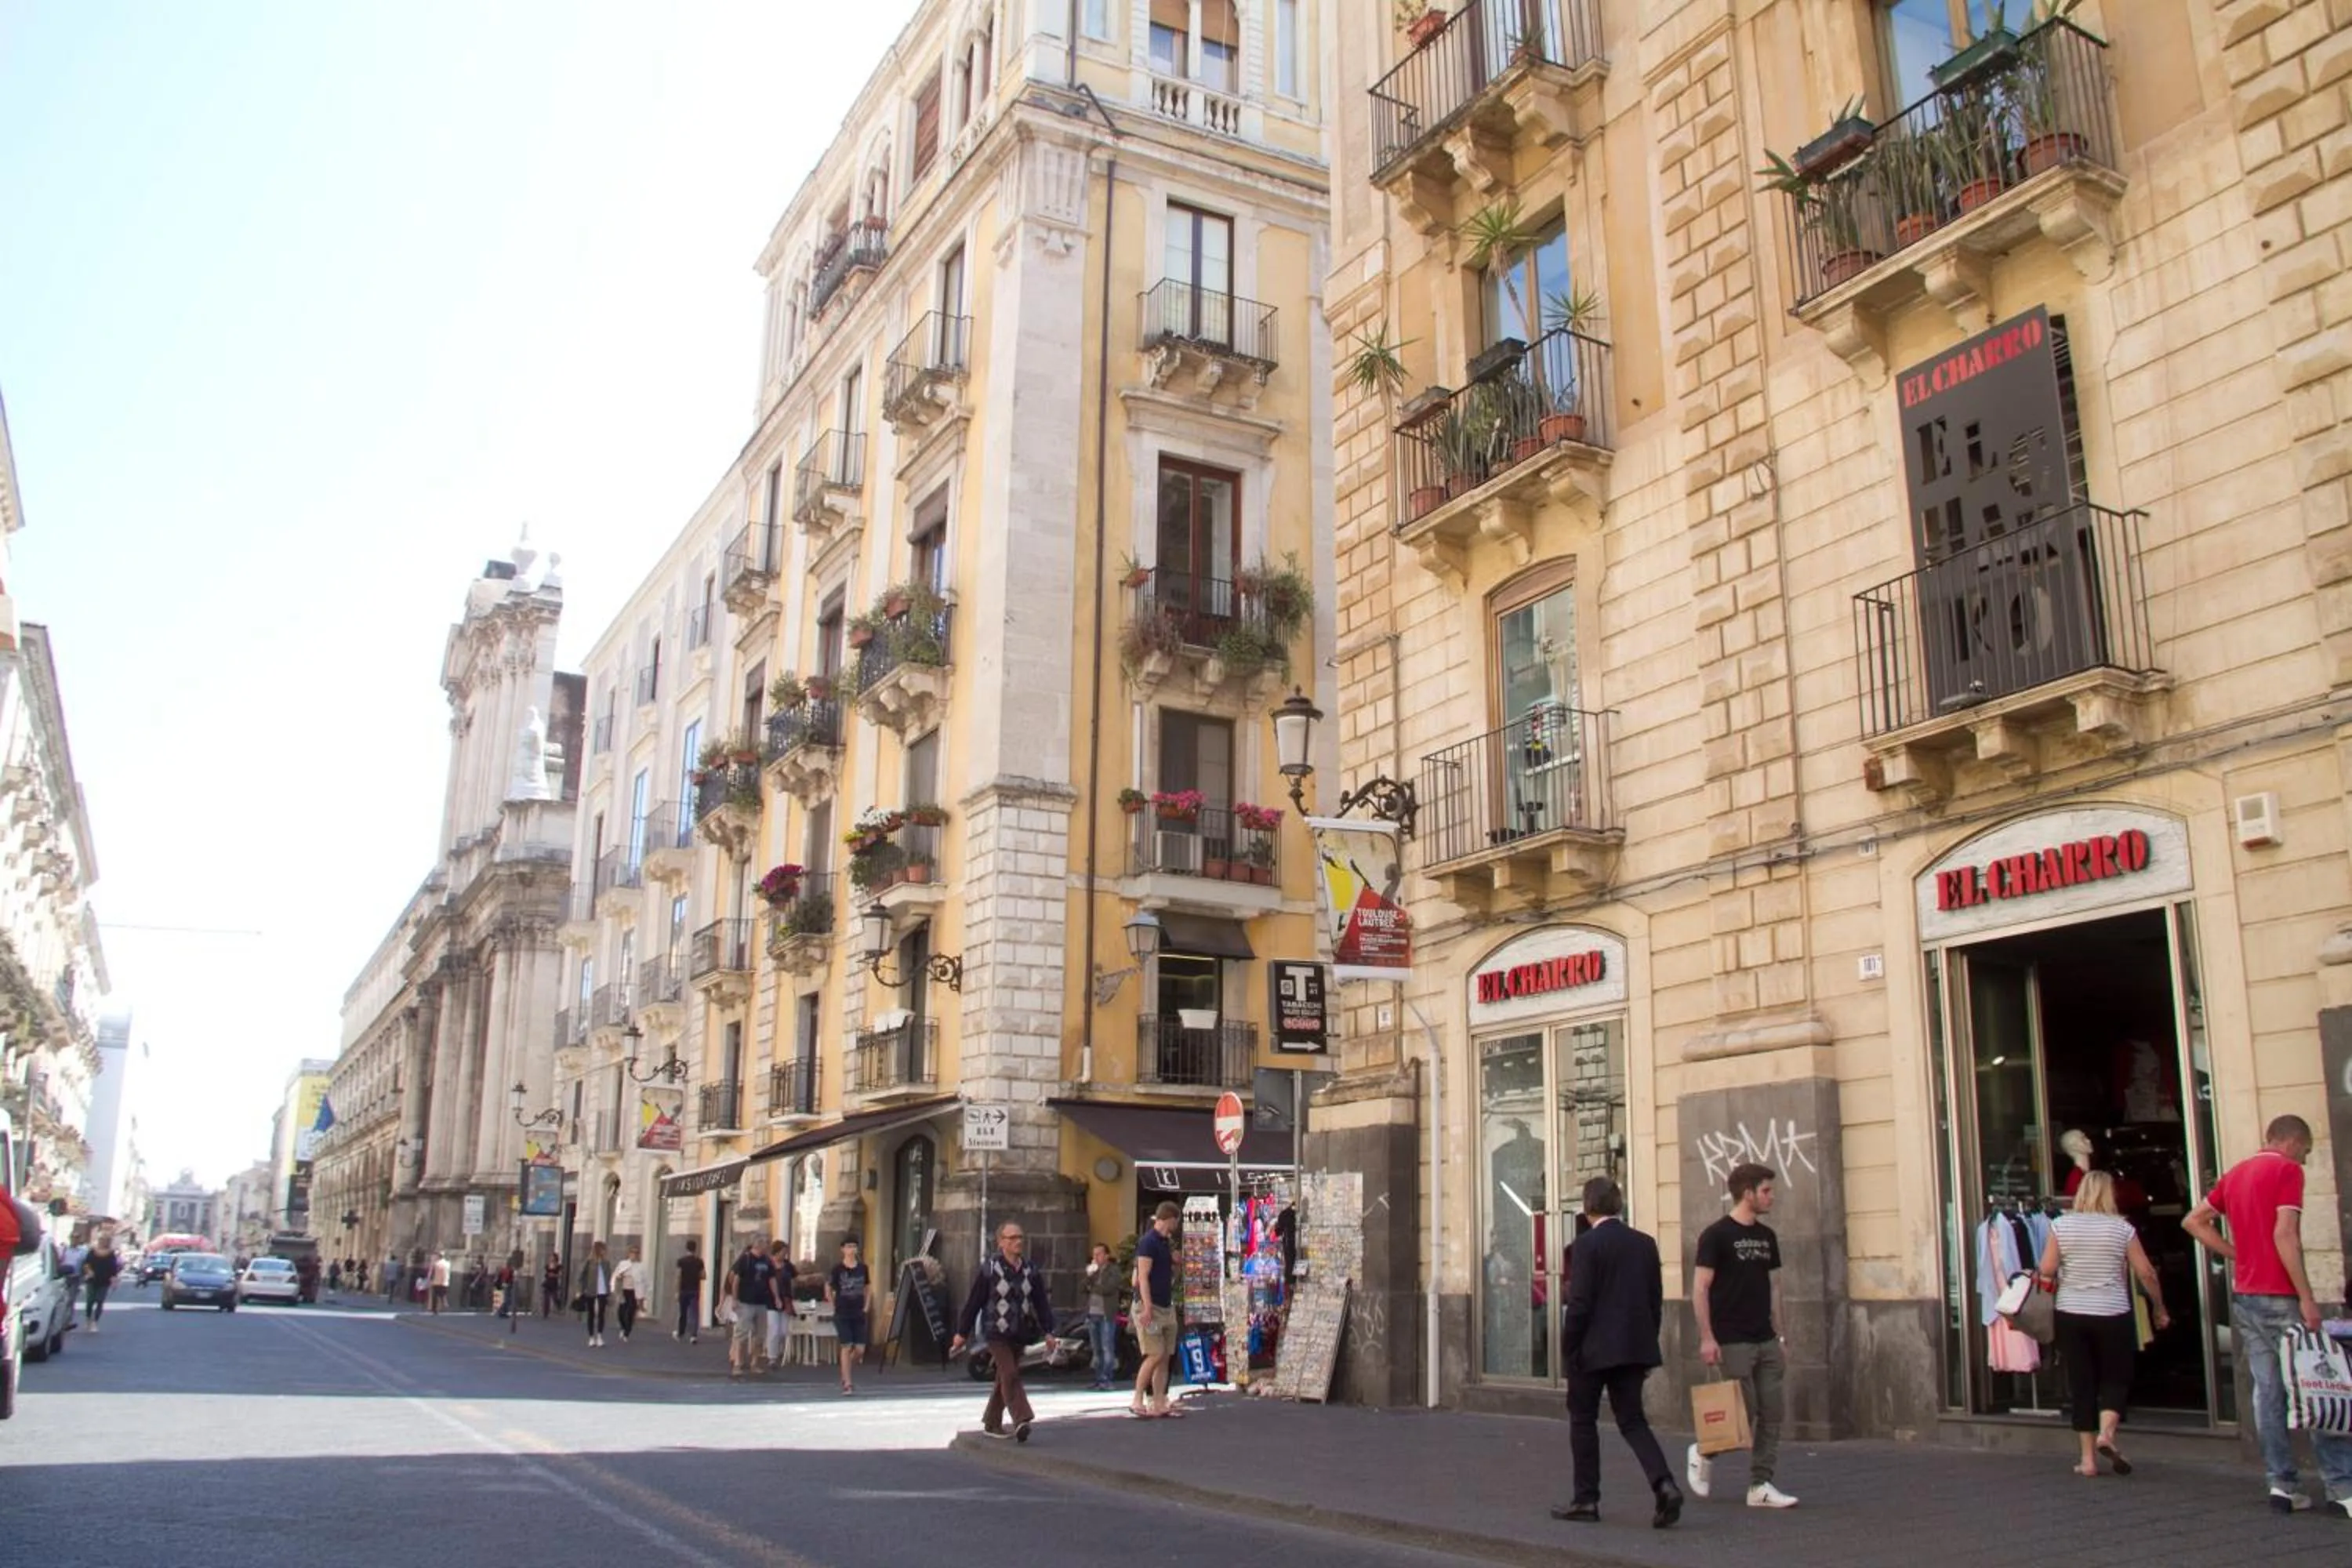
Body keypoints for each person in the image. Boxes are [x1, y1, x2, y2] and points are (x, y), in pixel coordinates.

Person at [2183, 1113, 2352, 1517]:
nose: (2305, 1160)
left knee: (2268, 1390)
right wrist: (2307, 1297)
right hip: (2280, 1293)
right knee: (2317, 1382)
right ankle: (2341, 1486)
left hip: (2246, 1295)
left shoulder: (2236, 1174)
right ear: (2292, 1142)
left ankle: (2282, 1484)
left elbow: (2193, 1221)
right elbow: (2285, 1234)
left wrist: (2236, 1254)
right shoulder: (2287, 1171)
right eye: (2306, 1151)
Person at [1555, 1175, 1681, 1530]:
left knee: (1583, 1420)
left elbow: (1579, 1303)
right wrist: (1647, 1346)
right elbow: (1655, 1301)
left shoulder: (1586, 1246)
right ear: (1619, 1205)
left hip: (1591, 1350)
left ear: (1587, 1207)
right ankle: (1664, 1484)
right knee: (1633, 1420)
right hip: (1633, 1347)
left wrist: (1569, 1347)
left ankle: (1586, 1499)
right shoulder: (1645, 1243)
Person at [2036, 1170, 2167, 1477]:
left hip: (2071, 1312)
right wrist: (2159, 1307)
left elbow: (2047, 1269)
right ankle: (2107, 1434)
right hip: (2112, 1312)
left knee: (2082, 1382)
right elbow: (2146, 1272)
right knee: (2116, 1377)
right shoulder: (2122, 1228)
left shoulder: (2061, 1225)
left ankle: (2088, 1461)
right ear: (2110, 1195)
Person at [1689, 1162, 1798, 1509]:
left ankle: (1760, 1485)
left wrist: (1781, 1336)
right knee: (1742, 1411)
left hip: (1765, 1337)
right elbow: (1700, 1289)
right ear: (1747, 1193)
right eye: (1766, 1190)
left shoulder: (1767, 1237)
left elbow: (1775, 1287)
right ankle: (1703, 1450)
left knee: (1773, 1411)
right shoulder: (1716, 1235)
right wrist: (1707, 1337)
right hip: (1732, 1338)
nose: (1771, 1197)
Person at [950, 1220, 1054, 1443]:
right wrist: (961, 1333)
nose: (1018, 1242)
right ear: (1001, 1242)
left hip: (1020, 1332)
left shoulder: (1030, 1270)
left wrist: (1049, 1331)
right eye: (1013, 1238)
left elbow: (1041, 1302)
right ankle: (1022, 1419)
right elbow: (974, 1302)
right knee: (1010, 1373)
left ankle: (992, 1423)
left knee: (1004, 1377)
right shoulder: (990, 1269)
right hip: (995, 1332)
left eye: (1020, 1237)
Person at [1131, 1202, 1181, 1418]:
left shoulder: (1165, 1243)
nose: (1177, 1226)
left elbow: (1168, 1275)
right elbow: (1142, 1277)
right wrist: (1147, 1306)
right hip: (1150, 1307)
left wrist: (1176, 1264)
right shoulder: (1148, 1242)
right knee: (1154, 1353)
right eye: (1176, 1221)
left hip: (1166, 1305)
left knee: (1165, 1356)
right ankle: (1137, 1399)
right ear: (1170, 1219)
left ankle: (1159, 1401)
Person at [826, 1238, 871, 1396]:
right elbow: (828, 1287)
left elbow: (867, 1288)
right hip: (842, 1312)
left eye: (854, 1247)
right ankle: (847, 1383)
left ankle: (846, 1369)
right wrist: (833, 1305)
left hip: (858, 1311)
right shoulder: (837, 1269)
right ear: (843, 1249)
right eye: (849, 1247)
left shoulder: (863, 1268)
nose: (852, 1249)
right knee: (846, 1346)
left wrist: (867, 1306)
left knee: (860, 1350)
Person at [728, 1239, 776, 1378]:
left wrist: (776, 1297)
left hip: (762, 1302)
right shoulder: (745, 1259)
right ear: (758, 1245)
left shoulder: (767, 1261)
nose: (767, 1247)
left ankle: (755, 1363)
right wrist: (734, 1298)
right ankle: (738, 1363)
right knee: (742, 1333)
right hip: (746, 1302)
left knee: (760, 1335)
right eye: (766, 1245)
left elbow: (771, 1279)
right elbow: (735, 1279)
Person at [1083, 1241, 1123, 1392]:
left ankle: (1107, 1379)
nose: (1096, 1257)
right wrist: (1089, 1277)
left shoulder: (1113, 1270)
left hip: (1106, 1314)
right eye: (1094, 1254)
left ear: (1106, 1256)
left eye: (1099, 1254)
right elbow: (1082, 1287)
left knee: (1107, 1347)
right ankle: (1098, 1379)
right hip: (1092, 1314)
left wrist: (1092, 1287)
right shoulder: (1093, 1272)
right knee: (1096, 1349)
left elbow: (1108, 1289)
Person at [764, 1240, 796, 1369]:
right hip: (770, 1301)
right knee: (774, 1329)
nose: (785, 1254)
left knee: (783, 1331)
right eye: (783, 1252)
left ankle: (777, 1350)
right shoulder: (768, 1264)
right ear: (776, 1252)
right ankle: (772, 1357)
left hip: (786, 1300)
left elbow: (795, 1278)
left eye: (786, 1252)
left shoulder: (788, 1265)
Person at [578, 1241, 614, 1347]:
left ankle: (599, 1336)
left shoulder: (606, 1263)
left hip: (603, 1291)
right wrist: (581, 1289)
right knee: (591, 1314)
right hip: (591, 1290)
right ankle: (591, 1337)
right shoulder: (589, 1262)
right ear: (598, 1250)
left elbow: (609, 1277)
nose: (604, 1251)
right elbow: (582, 1276)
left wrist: (610, 1291)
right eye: (603, 1249)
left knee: (602, 1313)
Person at [81, 1236, 121, 1331]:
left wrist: (114, 1280)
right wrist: (89, 1271)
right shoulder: (92, 1251)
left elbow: (114, 1268)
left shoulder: (111, 1254)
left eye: (106, 1241)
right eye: (102, 1240)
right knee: (90, 1301)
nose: (104, 1242)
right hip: (92, 1279)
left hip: (104, 1281)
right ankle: (88, 1319)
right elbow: (86, 1263)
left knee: (100, 1301)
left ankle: (95, 1322)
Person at [612, 1244, 644, 1343]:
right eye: (632, 1252)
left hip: (634, 1291)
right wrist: (620, 1278)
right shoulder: (623, 1264)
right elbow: (617, 1276)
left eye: (637, 1253)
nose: (634, 1254)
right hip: (624, 1290)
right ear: (629, 1254)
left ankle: (627, 1332)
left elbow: (642, 1281)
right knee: (621, 1312)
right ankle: (623, 1327)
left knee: (631, 1312)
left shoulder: (640, 1267)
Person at [673, 1238, 705, 1343]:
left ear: (686, 1248)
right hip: (695, 1289)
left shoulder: (681, 1261)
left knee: (683, 1312)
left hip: (683, 1289)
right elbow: (703, 1276)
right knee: (694, 1313)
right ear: (695, 1249)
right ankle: (693, 1335)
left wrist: (677, 1291)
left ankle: (680, 1333)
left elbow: (678, 1276)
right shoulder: (699, 1261)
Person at [541, 1254, 563, 1318]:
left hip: (554, 1283)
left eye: (552, 1257)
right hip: (548, 1283)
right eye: (551, 1257)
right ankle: (545, 1313)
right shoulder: (547, 1266)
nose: (551, 1259)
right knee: (546, 1299)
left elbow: (560, 1275)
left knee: (555, 1297)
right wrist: (548, 1275)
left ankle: (559, 1306)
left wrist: (554, 1275)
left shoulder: (558, 1267)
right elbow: (546, 1274)